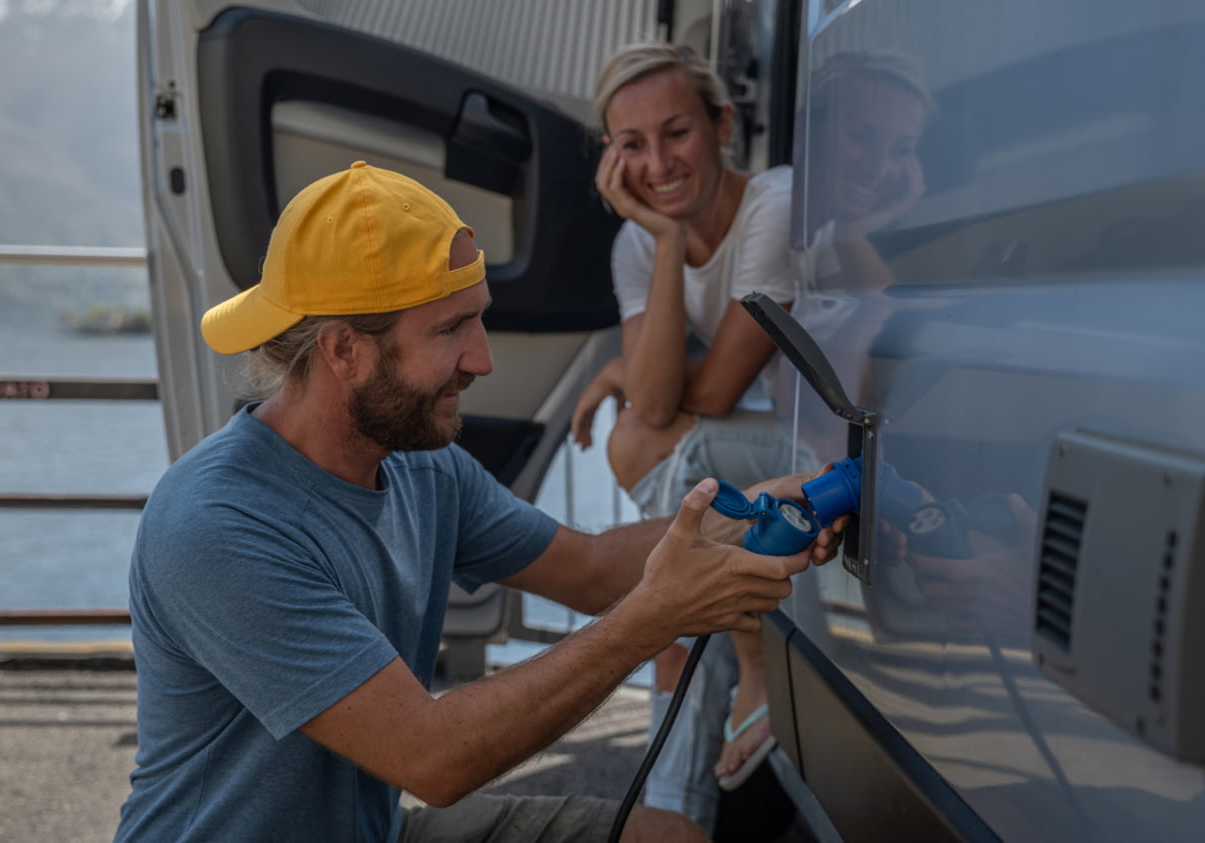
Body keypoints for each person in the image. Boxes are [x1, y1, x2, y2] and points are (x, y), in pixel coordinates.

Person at [113, 161, 844, 843]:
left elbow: (588, 568)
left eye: (478, 317)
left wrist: (753, 510)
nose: (482, 357)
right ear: (343, 351)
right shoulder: (218, 525)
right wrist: (657, 615)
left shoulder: (420, 468)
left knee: (668, 837)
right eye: (450, 328)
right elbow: (431, 757)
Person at [567, 42, 804, 832]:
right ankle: (675, 815)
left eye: (677, 133)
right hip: (761, 453)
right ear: (610, 159)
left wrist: (622, 375)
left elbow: (705, 392)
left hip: (826, 445)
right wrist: (665, 242)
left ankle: (747, 661)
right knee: (643, 451)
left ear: (723, 124)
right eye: (631, 144)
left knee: (655, 452)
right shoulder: (637, 243)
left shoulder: (775, 202)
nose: (658, 163)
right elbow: (658, 396)